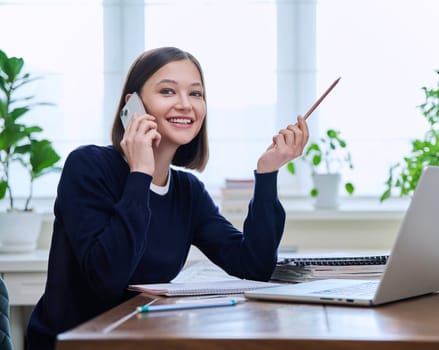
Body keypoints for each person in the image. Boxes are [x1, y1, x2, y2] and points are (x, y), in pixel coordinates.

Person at [25, 46, 309, 349]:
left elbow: (253, 266)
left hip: (143, 340)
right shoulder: (88, 166)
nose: (186, 105)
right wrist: (140, 173)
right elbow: (107, 278)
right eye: (168, 91)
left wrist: (267, 174)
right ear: (133, 105)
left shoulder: (188, 191)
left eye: (196, 94)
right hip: (76, 343)